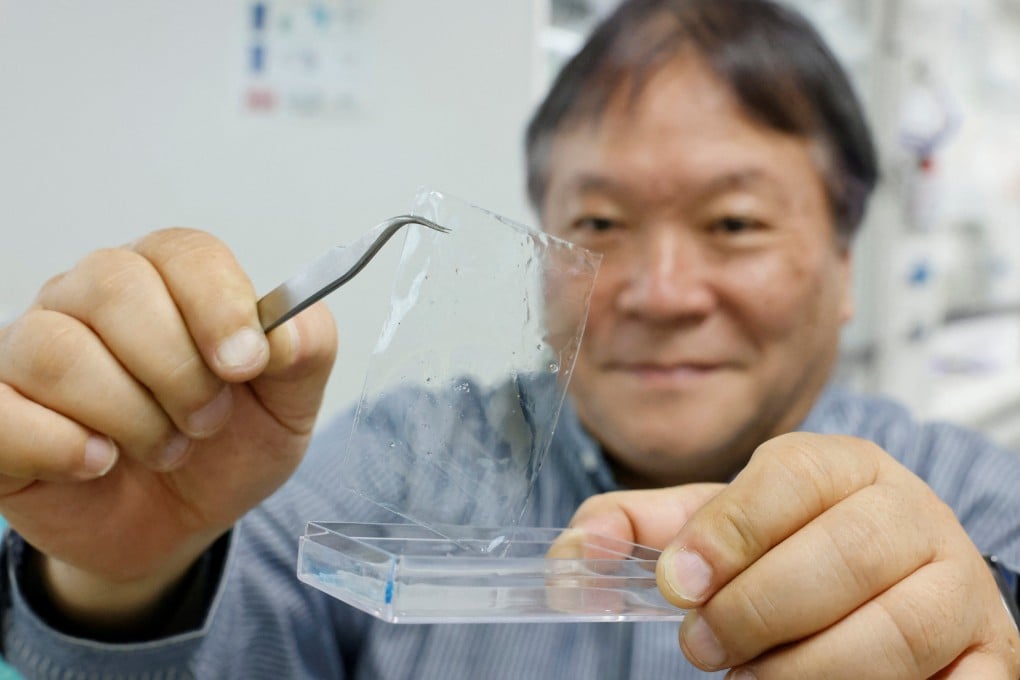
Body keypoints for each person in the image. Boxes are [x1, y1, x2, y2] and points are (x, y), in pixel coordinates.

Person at [0, 0, 1018, 677]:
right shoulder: (380, 468)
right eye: (600, 226)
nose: (658, 291)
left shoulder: (971, 501)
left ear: (847, 270)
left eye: (735, 223)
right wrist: (117, 583)